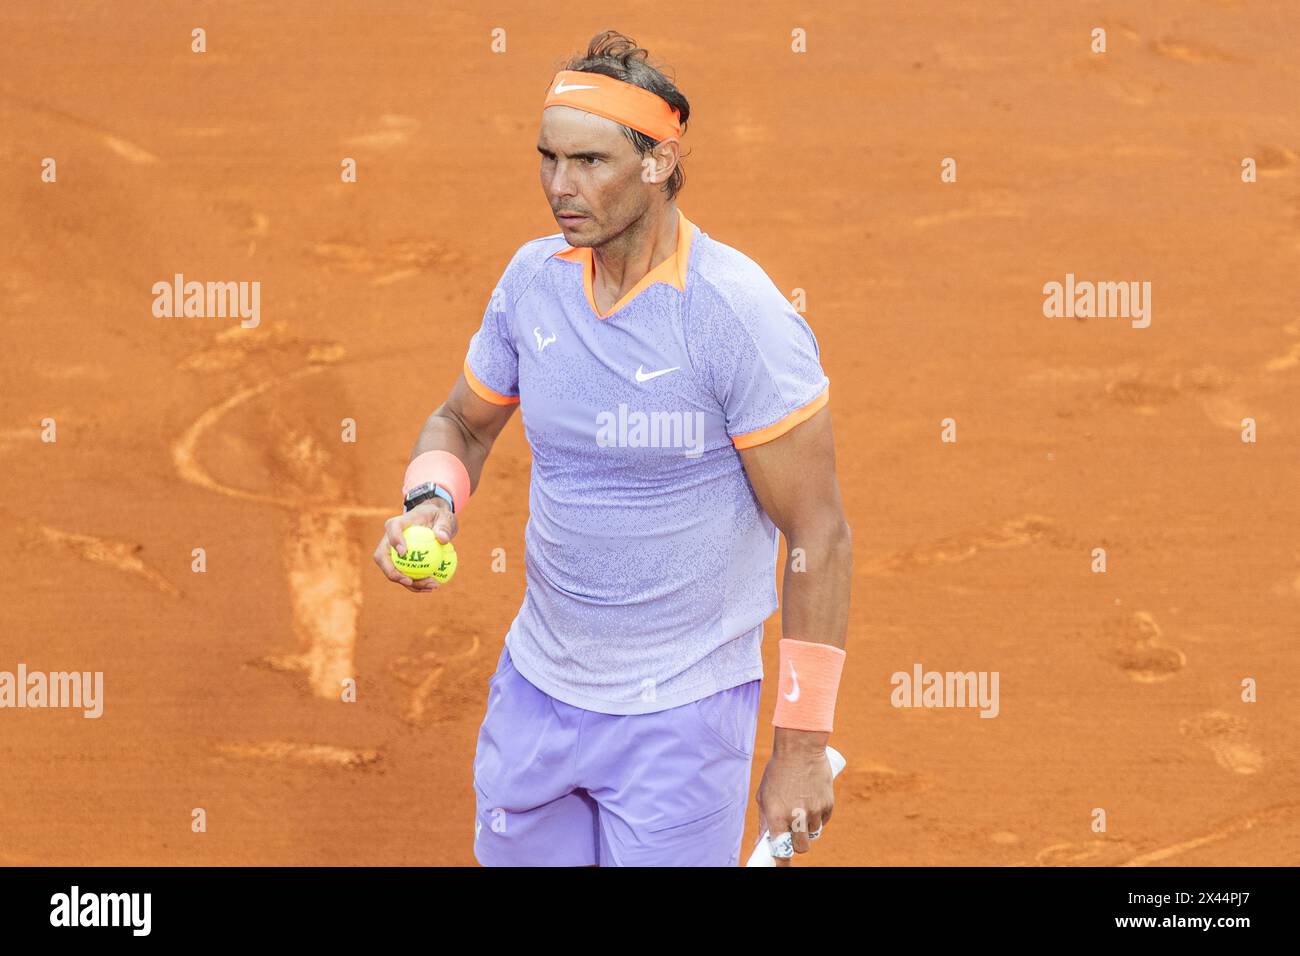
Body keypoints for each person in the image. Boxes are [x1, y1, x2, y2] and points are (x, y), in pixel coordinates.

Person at [373, 30, 853, 867]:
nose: (562, 186)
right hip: (538, 691)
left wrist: (803, 747)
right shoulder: (533, 282)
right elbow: (462, 424)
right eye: (549, 158)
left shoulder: (736, 316)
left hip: (683, 712)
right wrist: (431, 504)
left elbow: (819, 536)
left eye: (591, 161)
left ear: (660, 160)